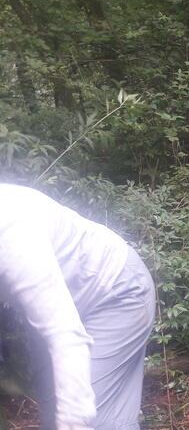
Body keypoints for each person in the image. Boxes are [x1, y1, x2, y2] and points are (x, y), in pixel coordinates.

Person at [0, 184, 156, 430]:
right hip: (55, 306)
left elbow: (65, 336)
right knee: (55, 414)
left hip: (115, 291)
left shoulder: (10, 232)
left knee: (97, 421)